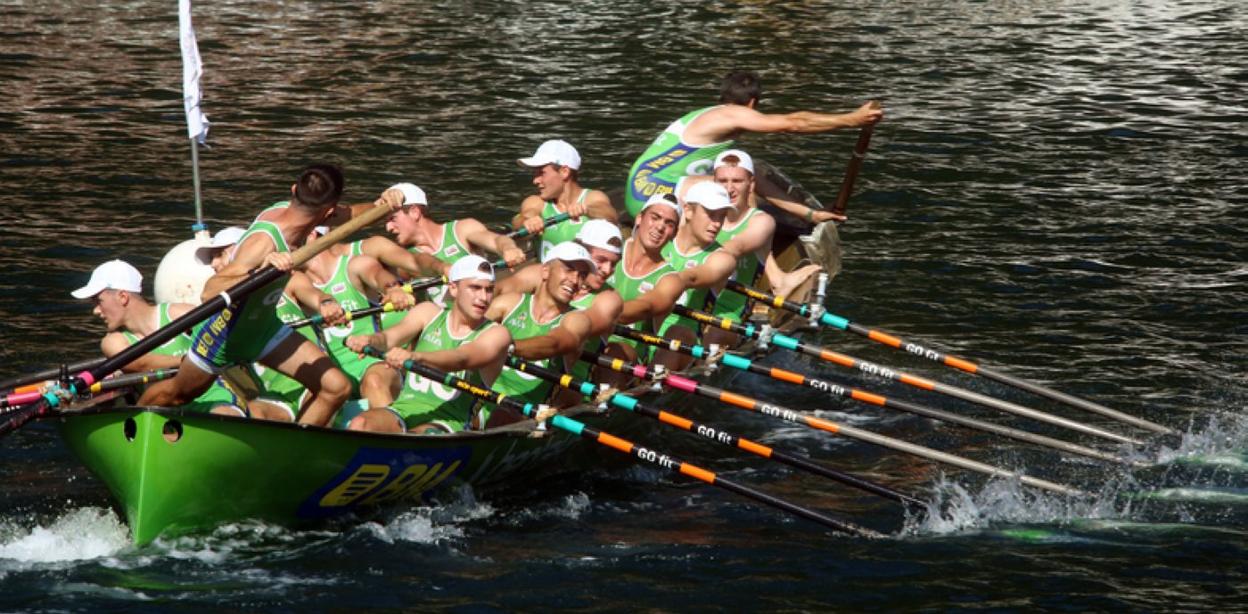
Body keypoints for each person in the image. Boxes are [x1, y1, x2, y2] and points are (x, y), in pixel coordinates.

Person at [138, 164, 386, 426]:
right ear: (328, 209)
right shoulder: (263, 243)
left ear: (294, 190)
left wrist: (385, 203)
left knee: (336, 387)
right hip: (226, 332)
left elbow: (352, 215)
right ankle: (133, 420)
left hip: (264, 328)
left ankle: (291, 456)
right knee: (177, 394)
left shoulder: (301, 209)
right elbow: (210, 290)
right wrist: (262, 272)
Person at [623, 69, 883, 219]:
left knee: (746, 172)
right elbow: (794, 123)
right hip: (651, 193)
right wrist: (852, 119)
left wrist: (810, 215)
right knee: (738, 187)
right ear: (752, 103)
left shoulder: (710, 115)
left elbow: (759, 180)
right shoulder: (732, 114)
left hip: (639, 188)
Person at [344, 255, 512, 434]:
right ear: (453, 289)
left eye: (489, 290)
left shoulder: (497, 334)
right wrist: (369, 340)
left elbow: (461, 358)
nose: (483, 298)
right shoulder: (428, 312)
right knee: (360, 424)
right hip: (404, 410)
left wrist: (416, 357)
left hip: (448, 423)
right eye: (475, 288)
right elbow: (388, 339)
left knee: (419, 437)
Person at [71, 259, 244, 416]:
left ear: (123, 297)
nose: (95, 310)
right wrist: (189, 360)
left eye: (98, 301)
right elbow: (141, 363)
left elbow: (226, 338)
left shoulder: (179, 315)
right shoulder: (113, 342)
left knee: (227, 414)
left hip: (212, 400)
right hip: (162, 414)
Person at [379, 182, 526, 308]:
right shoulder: (403, 259)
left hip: (483, 314)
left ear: (414, 212)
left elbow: (496, 240)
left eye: (392, 219)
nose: (388, 228)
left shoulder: (462, 230)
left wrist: (509, 248)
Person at [487, 242, 596, 407]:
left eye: (582, 275)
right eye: (569, 269)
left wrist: (507, 347)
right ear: (545, 271)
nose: (575, 280)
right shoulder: (509, 303)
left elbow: (555, 343)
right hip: (483, 399)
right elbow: (472, 330)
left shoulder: (578, 320)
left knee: (501, 415)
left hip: (527, 412)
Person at [512, 140, 618, 260]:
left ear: (564, 172)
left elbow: (611, 217)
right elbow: (520, 221)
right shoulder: (536, 202)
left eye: (541, 173)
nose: (535, 180)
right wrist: (528, 221)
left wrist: (586, 210)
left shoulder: (592, 198)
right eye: (535, 174)